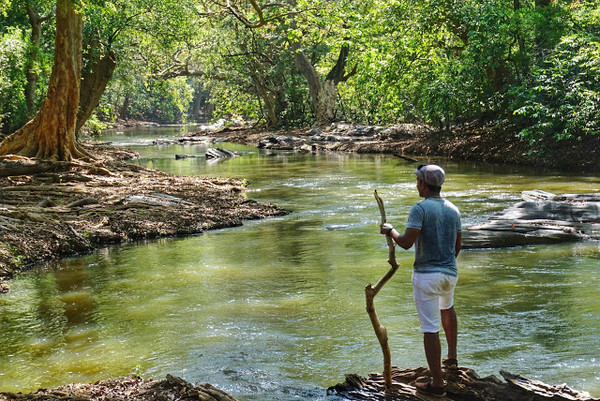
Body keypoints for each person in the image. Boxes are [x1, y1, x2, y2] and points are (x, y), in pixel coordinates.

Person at [380, 164, 461, 398]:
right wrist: (446, 263)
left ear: (424, 185)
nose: (416, 185)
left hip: (427, 275)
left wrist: (390, 230)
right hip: (450, 273)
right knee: (447, 308)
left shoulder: (420, 209)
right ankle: (452, 359)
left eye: (418, 181)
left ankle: (437, 383)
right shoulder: (453, 209)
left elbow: (405, 243)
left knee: (429, 329)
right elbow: (458, 245)